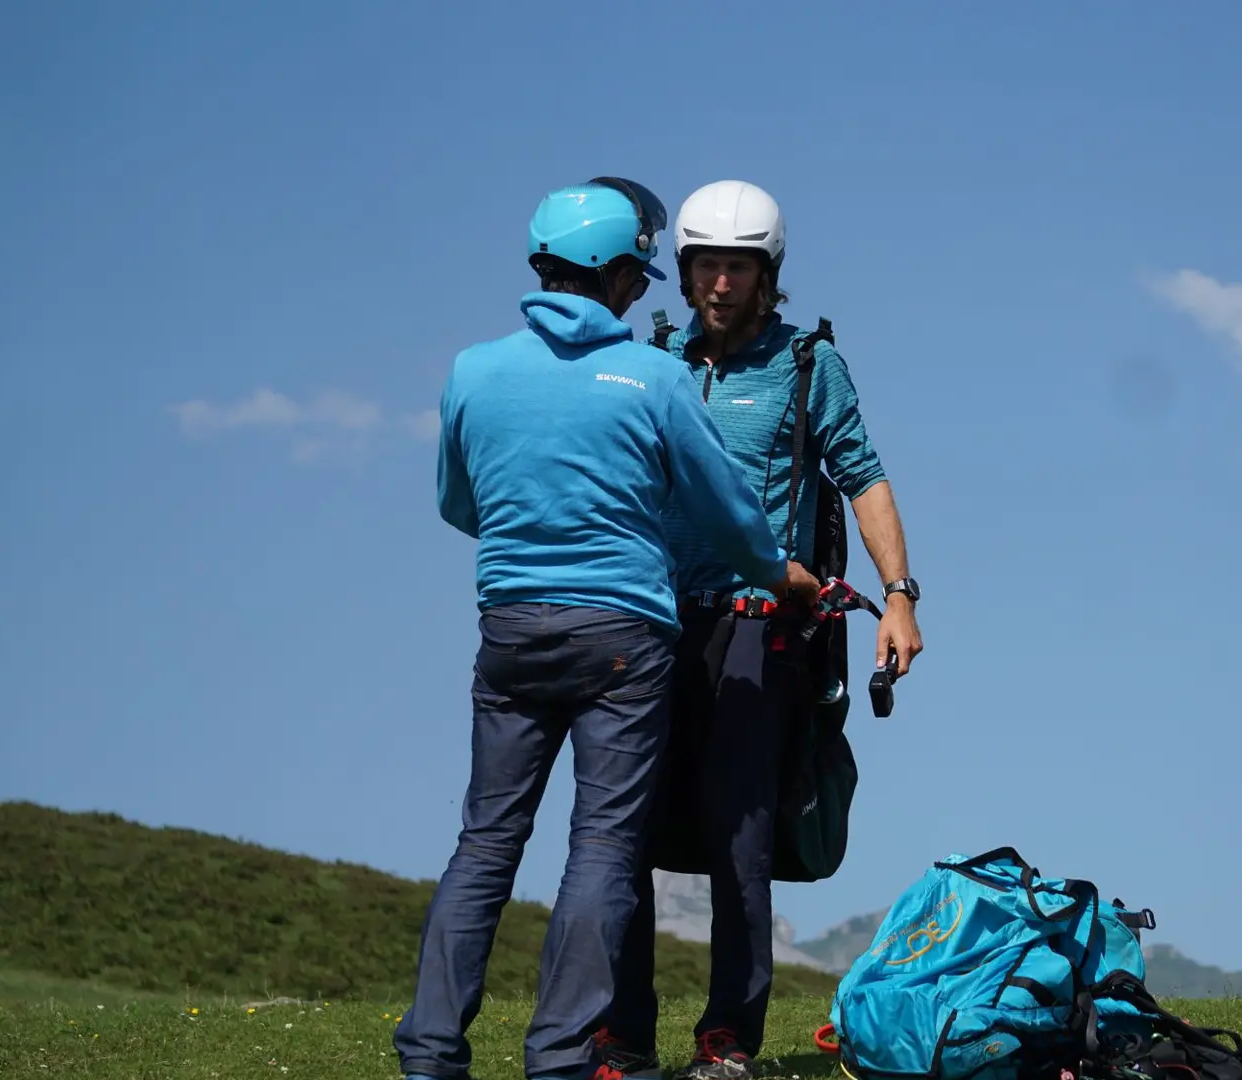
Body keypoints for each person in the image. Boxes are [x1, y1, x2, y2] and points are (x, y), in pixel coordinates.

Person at [394, 177, 820, 1080]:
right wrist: (780, 574)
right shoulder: (657, 378)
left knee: (485, 842)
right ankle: (557, 1056)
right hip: (622, 639)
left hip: (508, 628)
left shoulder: (474, 370)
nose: (647, 286)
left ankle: (431, 1052)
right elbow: (730, 517)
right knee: (603, 847)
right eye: (642, 269)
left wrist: (533, 527)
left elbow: (456, 503)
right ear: (622, 272)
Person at [594, 180, 924, 1080]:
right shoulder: (654, 361)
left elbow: (864, 476)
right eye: (705, 264)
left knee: (741, 834)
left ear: (767, 273)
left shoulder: (811, 365)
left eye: (738, 265)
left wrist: (900, 594)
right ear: (684, 272)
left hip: (759, 624)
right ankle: (620, 1037)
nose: (721, 282)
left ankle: (726, 1038)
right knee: (624, 833)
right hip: (654, 623)